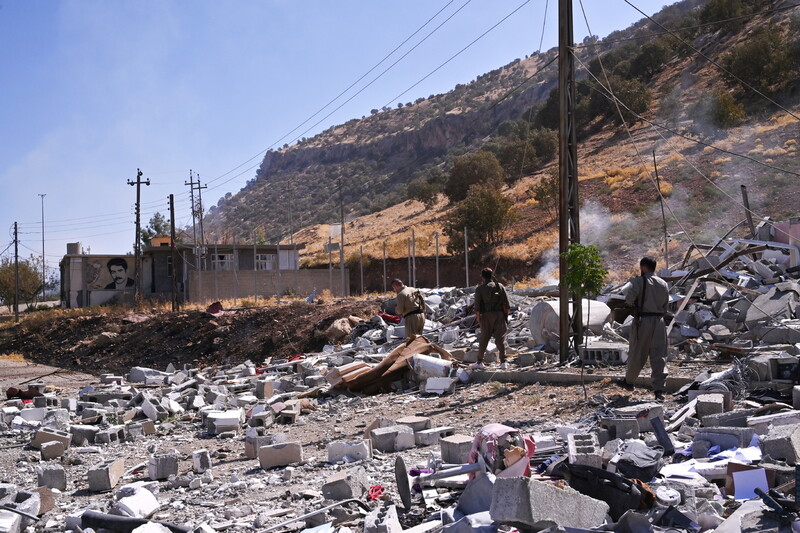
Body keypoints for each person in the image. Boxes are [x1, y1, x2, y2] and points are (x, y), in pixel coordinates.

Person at [622, 257, 670, 400]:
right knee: (659, 356)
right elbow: (666, 306)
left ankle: (629, 382)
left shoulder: (638, 281)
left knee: (637, 352)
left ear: (643, 267)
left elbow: (629, 300)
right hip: (660, 321)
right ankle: (659, 390)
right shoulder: (663, 283)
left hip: (643, 321)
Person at [472, 267, 510, 370]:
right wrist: (505, 317)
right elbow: (506, 305)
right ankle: (503, 362)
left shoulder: (479, 289)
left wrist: (479, 319)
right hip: (499, 315)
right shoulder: (500, 286)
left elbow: (477, 308)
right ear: (492, 275)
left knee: (484, 339)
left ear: (482, 277)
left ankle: (479, 362)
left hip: (486, 316)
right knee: (501, 338)